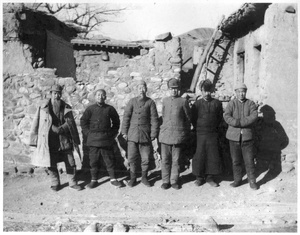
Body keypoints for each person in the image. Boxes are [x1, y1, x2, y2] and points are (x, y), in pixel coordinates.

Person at [29, 85, 83, 191]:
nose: (57, 96)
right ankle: (55, 183)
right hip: (50, 140)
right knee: (51, 163)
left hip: (64, 139)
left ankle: (72, 182)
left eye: (59, 93)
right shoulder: (43, 107)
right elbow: (36, 123)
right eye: (55, 93)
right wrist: (34, 140)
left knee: (70, 162)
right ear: (51, 94)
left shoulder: (66, 107)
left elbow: (71, 123)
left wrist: (63, 128)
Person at [80, 89, 122, 189]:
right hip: (93, 140)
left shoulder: (110, 109)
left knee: (109, 160)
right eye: (98, 95)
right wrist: (88, 133)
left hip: (106, 139)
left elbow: (116, 122)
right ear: (95, 97)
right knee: (93, 161)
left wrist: (111, 134)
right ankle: (94, 180)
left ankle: (113, 179)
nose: (100, 97)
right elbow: (83, 122)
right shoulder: (90, 109)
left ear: (105, 97)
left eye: (102, 95)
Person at [121, 80, 159, 187]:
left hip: (145, 135)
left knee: (146, 158)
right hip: (132, 134)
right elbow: (126, 117)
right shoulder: (132, 102)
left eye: (143, 88)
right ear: (136, 90)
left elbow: (154, 119)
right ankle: (133, 178)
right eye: (139, 88)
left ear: (146, 89)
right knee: (132, 158)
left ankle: (144, 177)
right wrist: (124, 131)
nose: (141, 90)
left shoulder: (150, 102)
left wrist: (153, 133)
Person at [224, 82, 259, 190]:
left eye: (243, 92)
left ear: (246, 92)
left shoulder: (251, 104)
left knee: (249, 160)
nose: (241, 94)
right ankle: (237, 180)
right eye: (239, 92)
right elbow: (226, 116)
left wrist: (241, 123)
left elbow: (254, 116)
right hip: (233, 137)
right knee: (236, 161)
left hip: (247, 137)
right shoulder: (231, 104)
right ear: (236, 93)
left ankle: (252, 181)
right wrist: (235, 123)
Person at [159, 78, 192, 190]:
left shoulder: (183, 101)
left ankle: (174, 181)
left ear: (178, 90)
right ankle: (165, 181)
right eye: (172, 89)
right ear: (169, 89)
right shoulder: (165, 101)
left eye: (176, 89)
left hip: (178, 135)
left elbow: (188, 118)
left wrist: (184, 132)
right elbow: (163, 116)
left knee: (176, 160)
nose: (174, 91)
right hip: (165, 134)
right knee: (165, 159)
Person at [191, 79, 223, 187]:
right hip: (200, 133)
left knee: (212, 155)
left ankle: (210, 177)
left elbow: (219, 118)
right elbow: (193, 118)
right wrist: (199, 128)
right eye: (205, 91)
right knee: (199, 155)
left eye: (209, 91)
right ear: (201, 91)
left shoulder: (217, 103)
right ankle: (199, 178)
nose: (207, 93)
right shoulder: (197, 104)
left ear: (212, 91)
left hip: (212, 134)